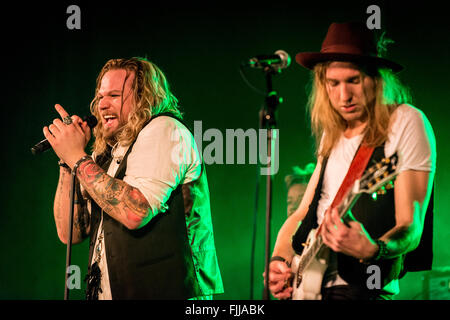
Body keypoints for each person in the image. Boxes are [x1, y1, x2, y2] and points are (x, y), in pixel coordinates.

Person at [267, 22, 436, 300]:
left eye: (353, 81)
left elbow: (411, 226)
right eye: (333, 83)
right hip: (309, 285)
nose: (343, 96)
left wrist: (374, 249)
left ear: (375, 79)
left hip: (361, 287)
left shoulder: (405, 121)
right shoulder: (331, 135)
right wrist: (280, 261)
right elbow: (303, 212)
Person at [45, 57, 224, 300]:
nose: (102, 105)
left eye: (114, 96)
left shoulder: (165, 130)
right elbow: (70, 234)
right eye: (100, 97)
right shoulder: (106, 152)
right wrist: (66, 162)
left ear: (144, 98)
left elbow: (135, 211)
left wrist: (77, 157)